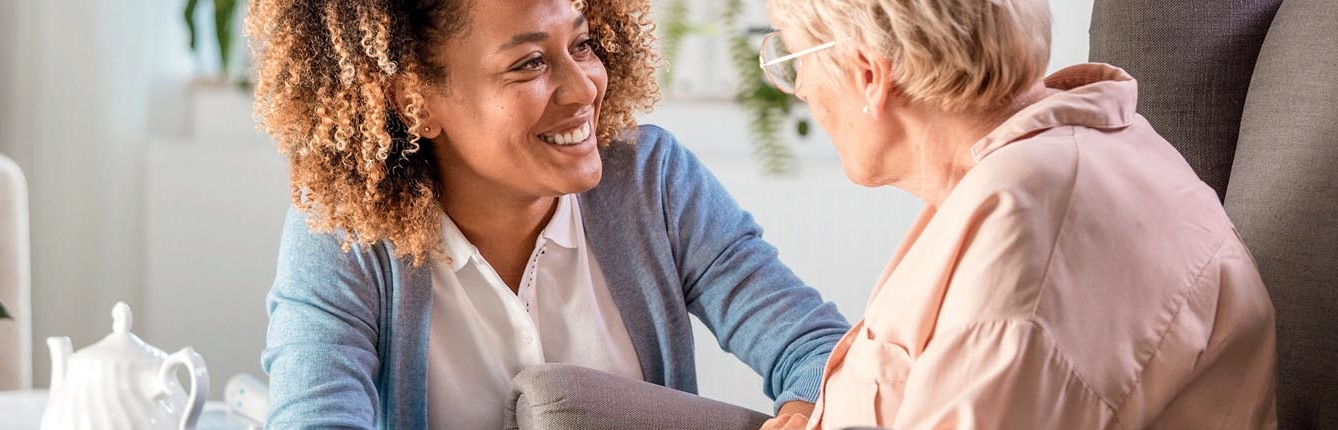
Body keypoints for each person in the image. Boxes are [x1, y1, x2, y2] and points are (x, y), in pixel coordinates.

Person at [245, 0, 851, 428]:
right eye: (529, 62)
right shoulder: (344, 234)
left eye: (581, 44)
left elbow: (820, 350)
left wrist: (804, 413)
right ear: (415, 101)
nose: (584, 87)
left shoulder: (652, 180)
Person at [754, 0, 1278, 428]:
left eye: (795, 59)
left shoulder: (1031, 227)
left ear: (869, 74)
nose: (798, 87)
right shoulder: (1033, 166)